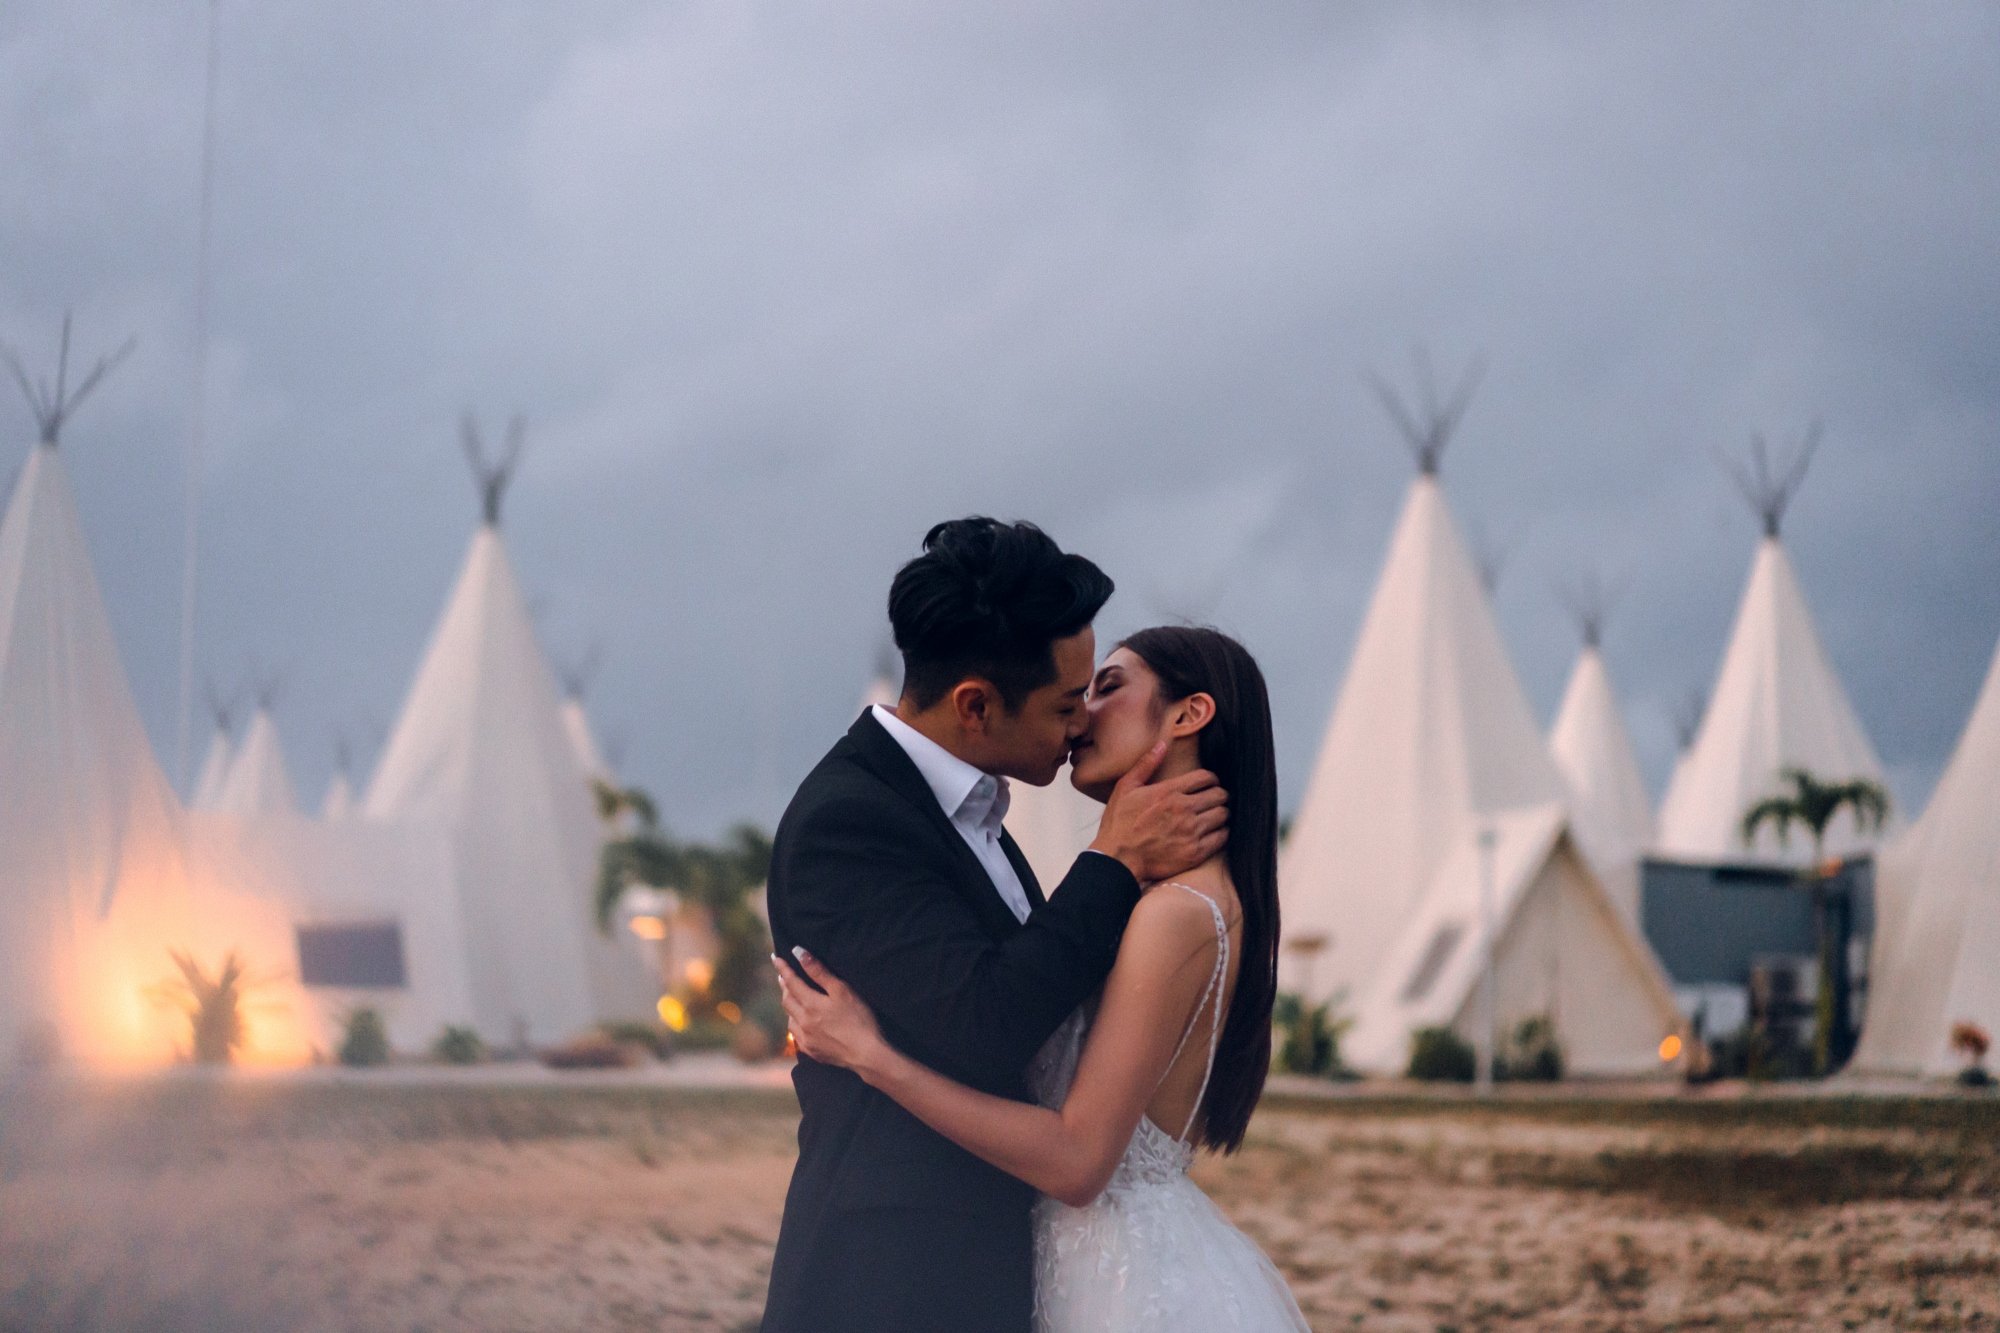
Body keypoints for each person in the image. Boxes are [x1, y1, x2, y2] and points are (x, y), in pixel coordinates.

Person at [761, 519, 1229, 1333]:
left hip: (994, 1268)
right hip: (891, 1283)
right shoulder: (850, 822)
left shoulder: (972, 806)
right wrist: (1111, 859)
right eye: (1063, 702)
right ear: (975, 704)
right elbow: (987, 1023)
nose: (1081, 721)